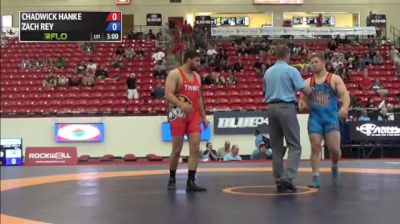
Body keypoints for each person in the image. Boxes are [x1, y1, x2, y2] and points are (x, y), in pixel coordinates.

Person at [263, 44, 313, 193]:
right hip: (286, 107)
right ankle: (287, 177)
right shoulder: (291, 70)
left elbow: (264, 90)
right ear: (287, 55)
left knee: (277, 146)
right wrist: (314, 90)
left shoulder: (268, 72)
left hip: (271, 108)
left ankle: (279, 181)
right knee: (294, 145)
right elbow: (305, 89)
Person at [299, 52, 350, 189]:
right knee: (315, 147)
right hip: (315, 118)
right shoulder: (307, 82)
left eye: (315, 62)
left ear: (323, 63)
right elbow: (302, 100)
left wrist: (345, 107)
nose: (313, 65)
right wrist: (302, 105)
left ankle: (334, 166)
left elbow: (345, 94)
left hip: (331, 118)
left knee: (334, 149)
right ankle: (315, 176)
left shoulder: (334, 78)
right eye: (311, 62)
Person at [165, 49, 208, 192]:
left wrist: (203, 116)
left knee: (195, 148)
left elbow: (199, 97)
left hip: (193, 116)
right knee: (177, 150)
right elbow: (168, 94)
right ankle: (172, 177)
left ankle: (191, 181)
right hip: (178, 115)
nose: (199, 63)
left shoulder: (197, 76)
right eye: (196, 60)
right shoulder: (175, 74)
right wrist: (181, 104)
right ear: (189, 59)